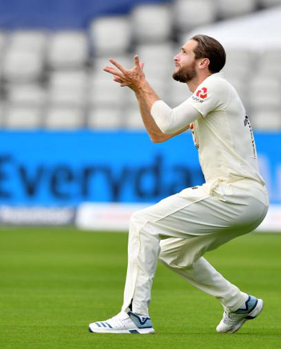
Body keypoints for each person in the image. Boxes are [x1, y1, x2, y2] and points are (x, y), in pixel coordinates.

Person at [89, 35, 269, 335]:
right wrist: (139, 91)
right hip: (246, 199)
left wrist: (143, 84)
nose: (176, 56)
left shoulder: (215, 86)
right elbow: (158, 134)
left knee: (143, 222)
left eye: (184, 52)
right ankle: (239, 303)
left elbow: (169, 121)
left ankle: (135, 315)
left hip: (234, 192)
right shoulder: (205, 98)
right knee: (174, 253)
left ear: (203, 62)